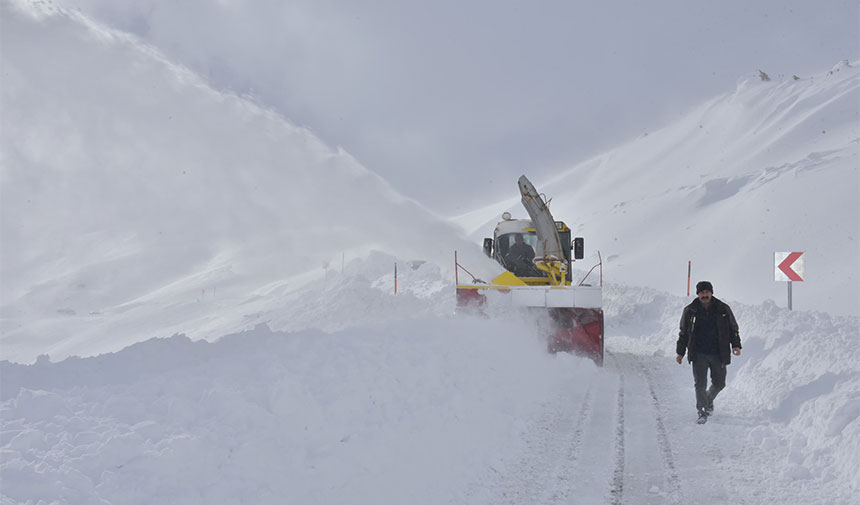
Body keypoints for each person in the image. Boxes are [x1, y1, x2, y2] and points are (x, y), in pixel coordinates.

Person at [676, 281, 742, 424]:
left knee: (719, 383)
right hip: (698, 353)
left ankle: (707, 399)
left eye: (707, 292)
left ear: (711, 293)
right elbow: (683, 333)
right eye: (701, 292)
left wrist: (736, 345)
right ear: (698, 294)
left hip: (719, 353)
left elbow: (733, 329)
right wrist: (680, 352)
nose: (704, 295)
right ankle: (702, 411)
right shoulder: (690, 310)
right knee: (700, 384)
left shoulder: (723, 309)